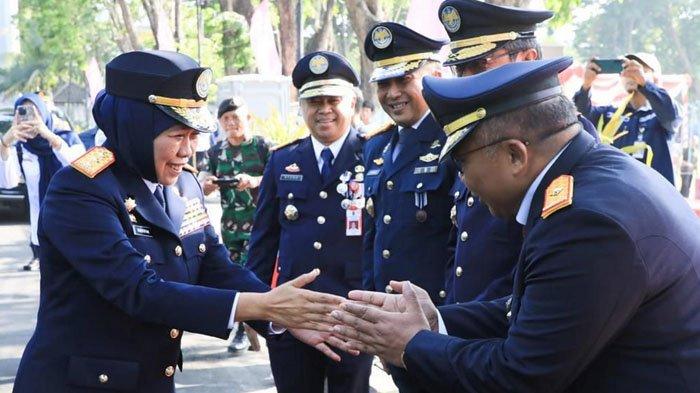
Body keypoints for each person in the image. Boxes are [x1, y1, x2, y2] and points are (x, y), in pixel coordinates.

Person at [330, 57, 700, 392]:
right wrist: (436, 318)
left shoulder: (586, 222)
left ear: (514, 154)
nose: (464, 183)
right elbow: (540, 306)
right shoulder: (589, 179)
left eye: (461, 165)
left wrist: (411, 344)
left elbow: (521, 376)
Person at [12, 50, 349, 393]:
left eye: (194, 136)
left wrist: (280, 314)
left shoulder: (184, 184)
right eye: (177, 135)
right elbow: (139, 290)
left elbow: (213, 265)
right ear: (137, 129)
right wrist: (261, 305)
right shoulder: (80, 189)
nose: (189, 151)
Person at [438, 0, 601, 304]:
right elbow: (459, 244)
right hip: (467, 327)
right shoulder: (478, 138)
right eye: (461, 68)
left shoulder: (565, 143)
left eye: (481, 64)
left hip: (517, 325)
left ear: (528, 57)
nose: (468, 79)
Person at [246, 51, 373, 393]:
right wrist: (263, 316)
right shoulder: (282, 160)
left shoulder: (374, 155)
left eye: (333, 99)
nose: (324, 109)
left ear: (352, 102)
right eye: (314, 101)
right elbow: (261, 247)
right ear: (301, 107)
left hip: (353, 318)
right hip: (292, 319)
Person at [360, 22, 456, 390]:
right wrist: (373, 315)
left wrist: (447, 321)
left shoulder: (453, 142)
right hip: (392, 320)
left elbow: (458, 242)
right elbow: (375, 236)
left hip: (436, 320)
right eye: (384, 84)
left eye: (404, 81)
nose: (393, 93)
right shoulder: (377, 147)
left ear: (433, 76)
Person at [202, 96, 273, 354]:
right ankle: (246, 329)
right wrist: (207, 183)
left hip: (261, 226)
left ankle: (249, 330)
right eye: (226, 119)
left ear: (248, 119)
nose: (231, 123)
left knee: (252, 275)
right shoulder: (216, 151)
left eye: (236, 117)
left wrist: (254, 181)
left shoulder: (263, 146)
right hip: (231, 227)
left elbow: (280, 177)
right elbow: (203, 181)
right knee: (236, 277)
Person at [0, 93, 85, 271]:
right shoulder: (21, 148)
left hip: (74, 226)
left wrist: (48, 135)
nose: (28, 117)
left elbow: (83, 168)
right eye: (22, 112)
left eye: (33, 111)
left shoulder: (67, 138)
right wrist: (4, 144)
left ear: (44, 113)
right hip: (41, 231)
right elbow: (8, 182)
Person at [574, 52, 682, 185]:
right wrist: (586, 84)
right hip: (619, 195)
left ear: (655, 77)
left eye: (639, 69)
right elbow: (580, 115)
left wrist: (644, 84)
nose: (631, 74)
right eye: (625, 69)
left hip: (655, 197)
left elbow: (670, 115)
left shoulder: (662, 114)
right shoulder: (610, 114)